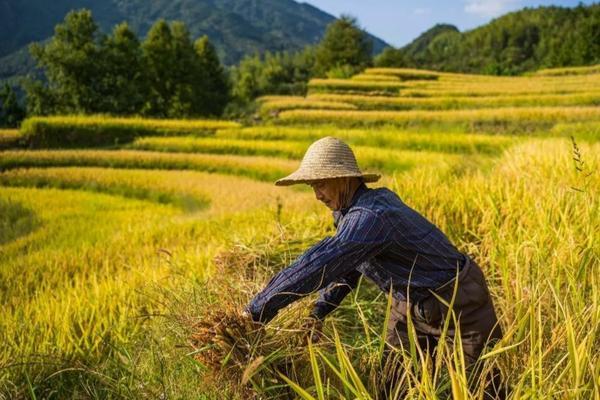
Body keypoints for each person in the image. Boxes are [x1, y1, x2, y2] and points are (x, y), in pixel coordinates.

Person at [243, 136, 505, 399]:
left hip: (458, 302)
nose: (317, 195)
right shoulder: (348, 212)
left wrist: (257, 309)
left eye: (320, 184)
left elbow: (321, 262)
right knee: (393, 385)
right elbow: (348, 266)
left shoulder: (371, 217)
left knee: (482, 388)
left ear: (343, 178)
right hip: (408, 303)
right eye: (312, 186)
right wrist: (318, 311)